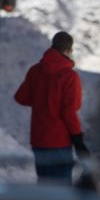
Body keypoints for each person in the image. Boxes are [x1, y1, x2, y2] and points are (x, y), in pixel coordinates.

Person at [14, 31, 89, 183]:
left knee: (45, 187)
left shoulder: (35, 70)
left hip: (39, 139)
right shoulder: (69, 76)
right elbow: (69, 111)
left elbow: (21, 97)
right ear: (69, 50)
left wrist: (41, 101)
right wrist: (78, 139)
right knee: (61, 191)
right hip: (59, 141)